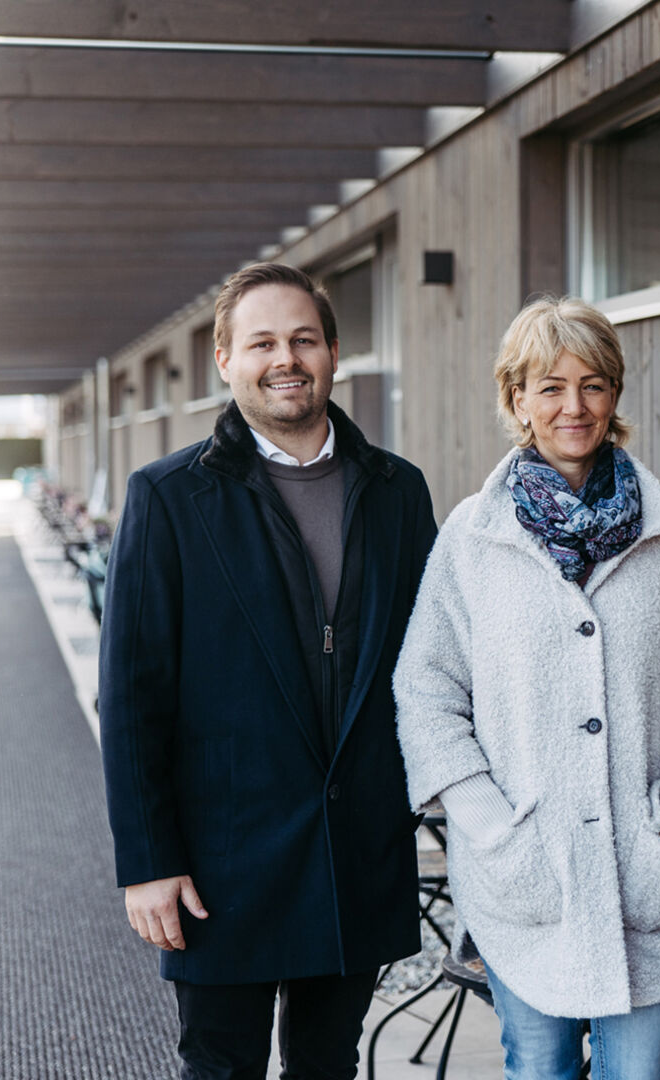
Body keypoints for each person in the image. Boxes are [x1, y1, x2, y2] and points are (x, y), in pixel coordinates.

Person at [99, 262, 438, 1079]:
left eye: (302, 340)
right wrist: (146, 860)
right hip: (222, 860)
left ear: (330, 354)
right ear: (225, 359)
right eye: (261, 343)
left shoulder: (398, 492)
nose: (285, 359)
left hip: (354, 847)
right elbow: (132, 694)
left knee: (330, 1065)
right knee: (221, 1066)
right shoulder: (168, 497)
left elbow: (434, 664)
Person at [394, 296, 660, 1080]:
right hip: (523, 866)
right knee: (539, 1068)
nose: (571, 406)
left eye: (591, 384)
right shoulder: (473, 537)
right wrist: (483, 819)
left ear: (614, 396)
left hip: (639, 866)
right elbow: (426, 687)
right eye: (548, 386)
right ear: (516, 399)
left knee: (637, 1072)